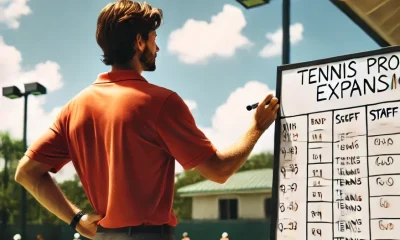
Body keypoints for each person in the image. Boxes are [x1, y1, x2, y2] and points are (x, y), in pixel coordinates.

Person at [14, 0, 279, 240]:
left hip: (104, 236)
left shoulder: (74, 108)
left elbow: (26, 173)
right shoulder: (160, 103)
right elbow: (220, 170)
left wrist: (76, 220)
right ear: (139, 42)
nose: (157, 46)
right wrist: (258, 126)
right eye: (153, 38)